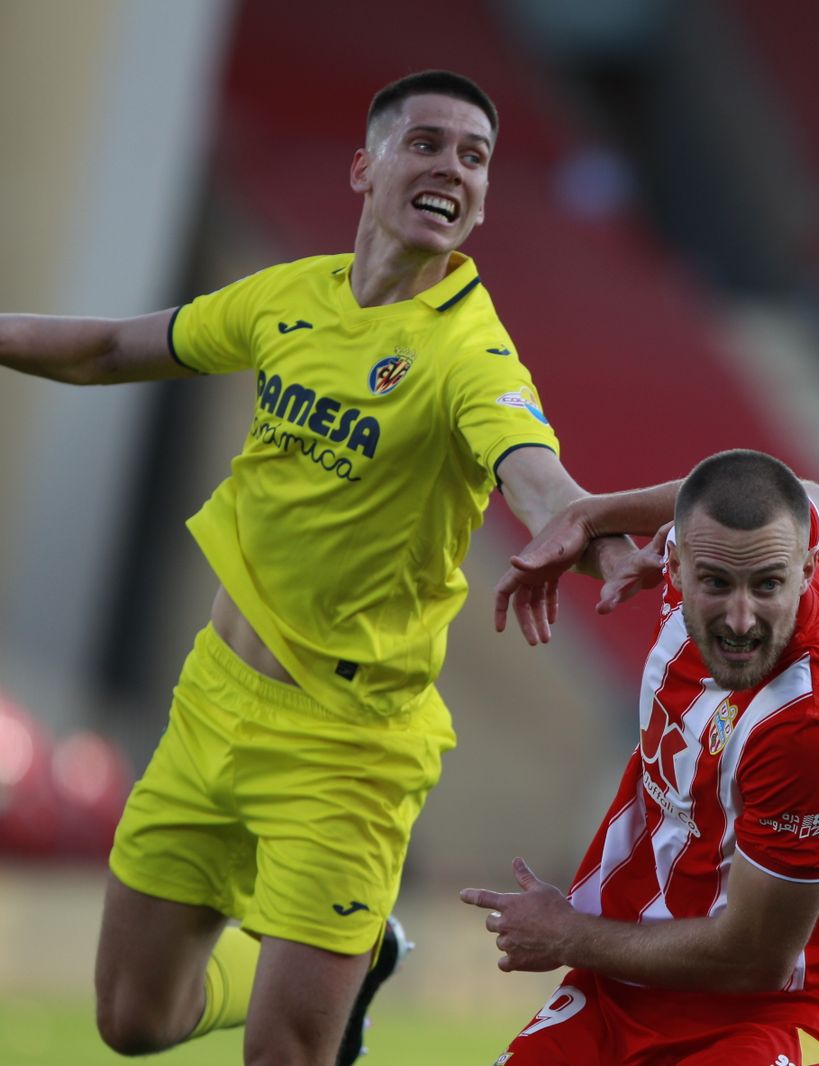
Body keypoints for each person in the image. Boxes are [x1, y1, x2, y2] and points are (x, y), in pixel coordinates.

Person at [0, 70, 632, 1065]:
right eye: (427, 142)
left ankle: (323, 979)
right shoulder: (292, 296)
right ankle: (357, 955)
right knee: (131, 1019)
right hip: (212, 700)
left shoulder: (471, 354)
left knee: (284, 1056)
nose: (452, 168)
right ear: (365, 167)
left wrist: (576, 528)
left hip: (347, 749)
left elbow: (534, 472)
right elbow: (118, 346)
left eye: (474, 157)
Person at [463, 449, 819, 1064]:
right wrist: (591, 517)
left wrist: (566, 935)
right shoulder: (720, 546)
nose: (742, 618)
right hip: (632, 978)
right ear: (673, 559)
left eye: (769, 585)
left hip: (771, 1008)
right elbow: (805, 495)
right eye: (716, 584)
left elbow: (755, 957)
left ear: (809, 570)